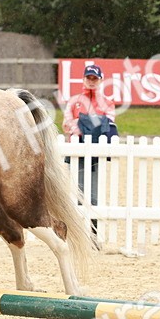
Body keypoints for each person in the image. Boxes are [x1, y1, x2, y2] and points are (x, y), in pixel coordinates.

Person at [64, 62, 118, 233]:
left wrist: (83, 123)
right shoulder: (74, 101)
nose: (92, 81)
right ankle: (79, 231)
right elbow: (67, 123)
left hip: (97, 152)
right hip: (77, 148)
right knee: (77, 190)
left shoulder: (107, 103)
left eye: (95, 78)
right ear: (83, 79)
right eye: (89, 78)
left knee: (95, 192)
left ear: (101, 80)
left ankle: (93, 232)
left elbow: (109, 124)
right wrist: (86, 126)